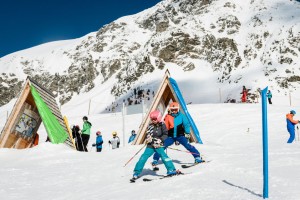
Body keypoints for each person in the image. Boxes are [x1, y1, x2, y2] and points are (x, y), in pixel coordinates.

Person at [131, 110, 179, 181]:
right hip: (150, 145)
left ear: (159, 118)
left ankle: (171, 169)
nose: (153, 121)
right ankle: (136, 172)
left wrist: (160, 140)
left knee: (164, 156)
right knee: (143, 157)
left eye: (155, 119)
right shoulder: (150, 126)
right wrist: (148, 138)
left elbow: (165, 134)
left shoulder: (162, 125)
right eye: (152, 119)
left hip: (158, 145)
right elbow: (148, 133)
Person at [152, 102, 203, 168]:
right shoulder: (168, 116)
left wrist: (187, 133)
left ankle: (197, 157)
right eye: (172, 110)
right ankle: (155, 159)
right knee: (162, 146)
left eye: (175, 109)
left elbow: (186, 125)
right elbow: (165, 127)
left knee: (187, 145)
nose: (174, 111)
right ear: (170, 110)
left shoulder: (182, 116)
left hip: (180, 135)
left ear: (178, 109)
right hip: (171, 136)